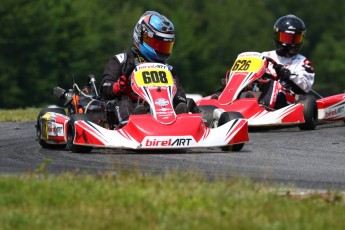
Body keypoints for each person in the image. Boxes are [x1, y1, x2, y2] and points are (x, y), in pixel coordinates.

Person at [99, 11, 187, 127]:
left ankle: (186, 122)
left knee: (187, 102)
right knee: (125, 102)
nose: (161, 49)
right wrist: (117, 87)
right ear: (141, 36)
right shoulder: (122, 61)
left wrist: (181, 101)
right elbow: (104, 87)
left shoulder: (168, 69)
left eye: (165, 46)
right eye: (157, 44)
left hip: (162, 108)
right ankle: (130, 125)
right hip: (130, 106)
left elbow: (178, 90)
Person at [259, 14, 315, 109]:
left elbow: (305, 87)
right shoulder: (263, 56)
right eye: (284, 38)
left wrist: (287, 75)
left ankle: (264, 108)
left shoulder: (303, 62)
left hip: (287, 102)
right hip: (259, 94)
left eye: (293, 39)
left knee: (274, 85)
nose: (287, 43)